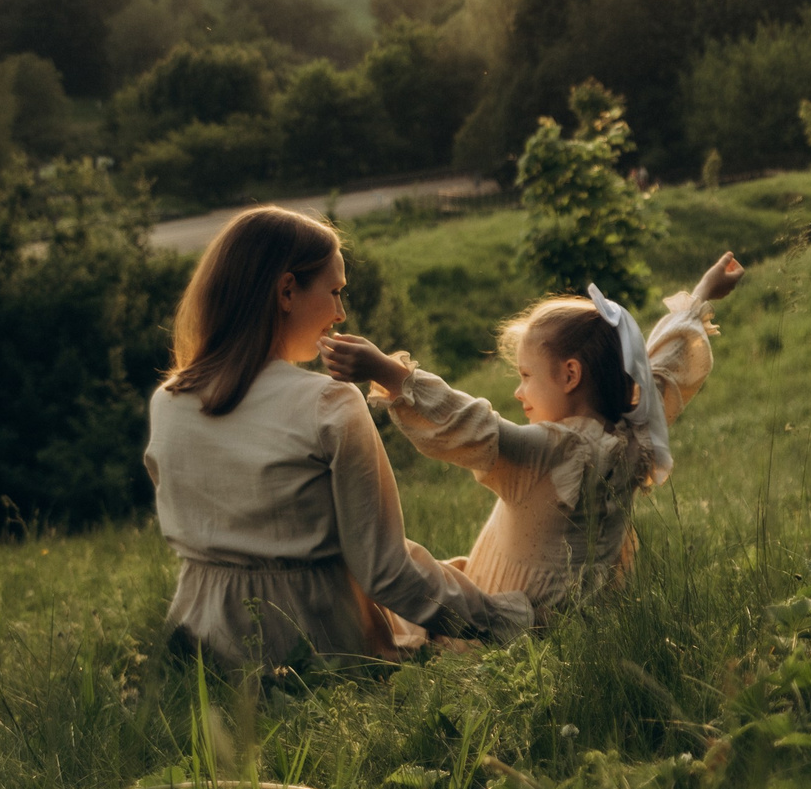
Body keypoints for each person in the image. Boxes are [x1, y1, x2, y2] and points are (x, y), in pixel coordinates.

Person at [143, 205, 531, 668]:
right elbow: (387, 573)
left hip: (205, 647)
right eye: (334, 292)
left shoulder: (167, 401)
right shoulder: (328, 403)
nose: (341, 313)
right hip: (315, 646)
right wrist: (508, 619)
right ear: (287, 290)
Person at [319, 253, 744, 621]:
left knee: (395, 596)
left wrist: (388, 372)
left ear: (570, 375)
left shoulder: (549, 452)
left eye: (526, 376)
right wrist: (703, 291)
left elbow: (466, 422)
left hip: (515, 626)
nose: (519, 391)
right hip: (582, 620)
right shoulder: (636, 433)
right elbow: (662, 366)